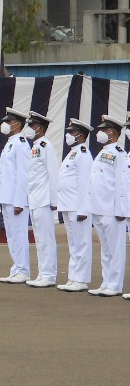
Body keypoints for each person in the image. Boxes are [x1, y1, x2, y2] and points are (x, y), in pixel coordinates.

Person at [82, 115, 126, 297]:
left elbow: (121, 183)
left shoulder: (119, 153)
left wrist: (120, 209)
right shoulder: (102, 152)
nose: (99, 134)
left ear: (112, 133)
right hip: (98, 207)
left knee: (115, 248)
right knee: (105, 247)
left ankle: (115, 284)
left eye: (103, 131)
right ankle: (106, 280)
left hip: (112, 208)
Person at [56, 119, 93, 292]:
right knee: (73, 243)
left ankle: (82, 279)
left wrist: (83, 208)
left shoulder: (83, 154)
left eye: (72, 133)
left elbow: (86, 183)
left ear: (81, 136)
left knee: (82, 243)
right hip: (68, 204)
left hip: (78, 207)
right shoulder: (72, 153)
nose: (68, 136)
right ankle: (73, 277)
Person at [24, 111, 59, 288]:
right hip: (35, 199)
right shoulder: (35, 147)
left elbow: (53, 174)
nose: (29, 128)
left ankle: (49, 274)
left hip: (44, 199)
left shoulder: (46, 146)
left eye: (32, 126)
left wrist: (54, 201)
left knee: (46, 238)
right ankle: (42, 272)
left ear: (40, 128)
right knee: (39, 238)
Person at [0, 108, 32, 284]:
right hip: (7, 196)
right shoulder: (10, 142)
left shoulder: (21, 143)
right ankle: (16, 267)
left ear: (17, 124)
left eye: (9, 122)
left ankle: (23, 270)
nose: (6, 125)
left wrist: (20, 200)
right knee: (11, 235)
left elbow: (23, 173)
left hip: (16, 198)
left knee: (19, 234)